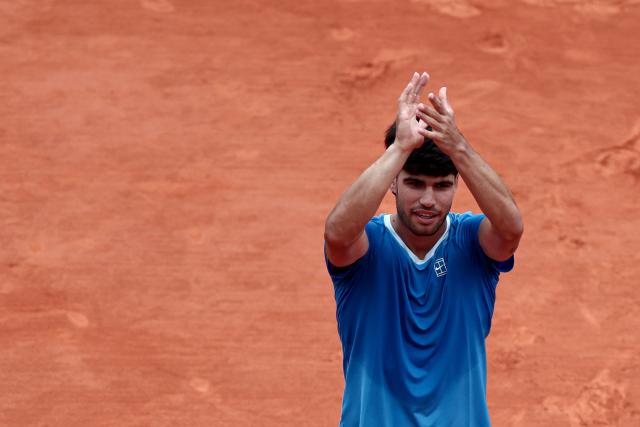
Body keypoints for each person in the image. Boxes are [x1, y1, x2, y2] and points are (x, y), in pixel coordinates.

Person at [323, 71, 524, 426]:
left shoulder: (472, 243)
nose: (428, 201)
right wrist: (399, 148)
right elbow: (337, 234)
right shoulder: (365, 248)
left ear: (456, 184)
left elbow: (510, 230)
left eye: (442, 186)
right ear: (393, 184)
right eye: (415, 184)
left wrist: (458, 146)